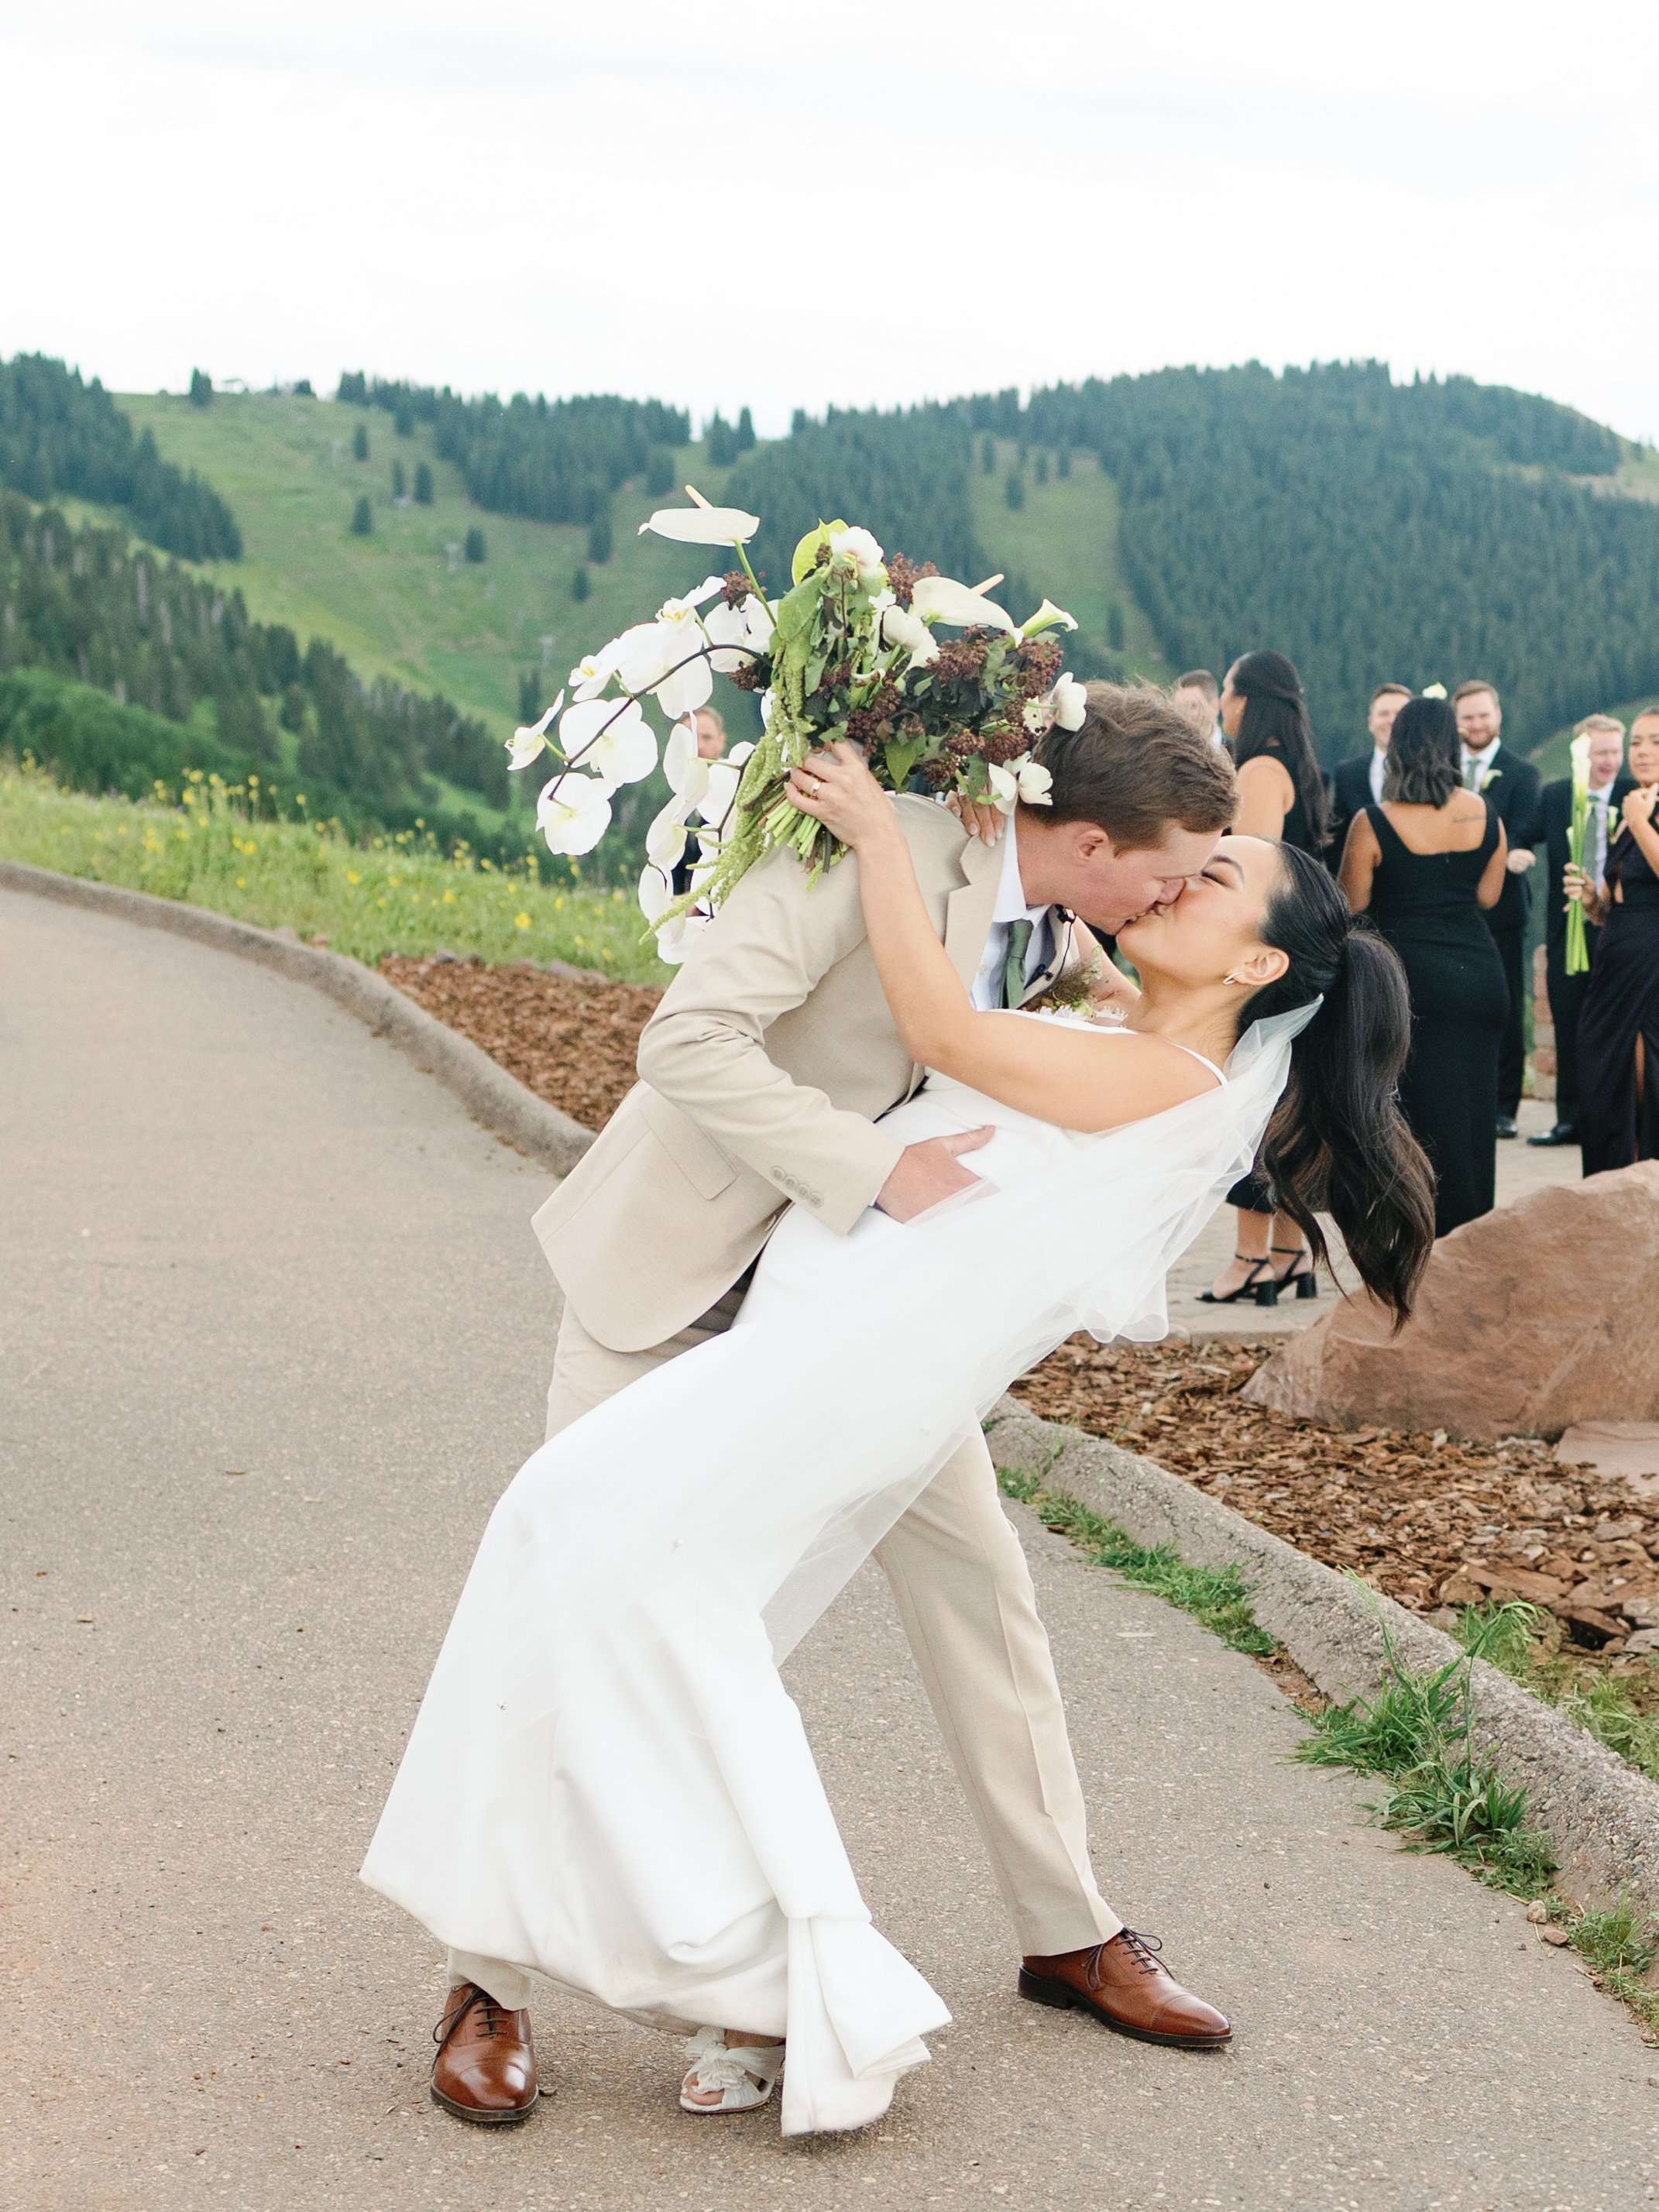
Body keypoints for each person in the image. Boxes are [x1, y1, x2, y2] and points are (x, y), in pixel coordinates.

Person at [362, 723, 1434, 2139]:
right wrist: (871, 1142)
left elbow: (979, 1046)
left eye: (1201, 884)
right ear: (1100, 844)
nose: (1167, 899)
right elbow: (684, 1038)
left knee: (980, 1600)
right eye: (1178, 870)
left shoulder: (1072, 939)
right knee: (594, 1593)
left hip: (868, 1342)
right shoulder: (893, 853)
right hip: (687, 1274)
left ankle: (1066, 1929)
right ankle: (487, 1980)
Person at [1340, 695, 1509, 1236]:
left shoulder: (1373, 823)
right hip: (1481, 977)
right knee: (1475, 1116)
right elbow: (1487, 896)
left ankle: (1419, 1240)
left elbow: (1351, 907)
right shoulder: (1485, 814)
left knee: (1416, 1121)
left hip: (1411, 983)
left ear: (1399, 749)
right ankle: (1473, 1239)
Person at [1203, 651, 1331, 1306]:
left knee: (1256, 1105)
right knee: (1293, 1102)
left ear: (1248, 700)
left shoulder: (1257, 767)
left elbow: (1249, 879)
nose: (1223, 705)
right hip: (1306, 954)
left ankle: (1249, 1257)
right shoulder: (1300, 768)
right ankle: (1291, 1254)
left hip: (1267, 959)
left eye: (1227, 691)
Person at [1528, 716, 1633, 1147]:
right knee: (1569, 1021)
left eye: (1615, 751)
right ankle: (1569, 1118)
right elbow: (1520, 833)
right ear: (1579, 756)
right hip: (1566, 928)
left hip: (1620, 927)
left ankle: (1616, 1117)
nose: (1609, 761)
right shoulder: (1555, 797)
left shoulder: (1634, 797)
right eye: (1599, 753)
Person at [1568, 706, 1659, 1177]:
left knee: (1638, 1088)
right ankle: (1607, 1191)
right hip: (1615, 957)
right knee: (1602, 1076)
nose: (1642, 752)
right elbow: (1616, 902)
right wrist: (1590, 899)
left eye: (1655, 743)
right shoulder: (1636, 804)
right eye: (1637, 742)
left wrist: (1641, 821)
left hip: (1649, 964)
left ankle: (1640, 1188)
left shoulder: (1638, 810)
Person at [1452, 680, 1541, 1138]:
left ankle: (1505, 1107)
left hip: (1503, 910)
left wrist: (1511, 853)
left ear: (1498, 716)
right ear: (1455, 721)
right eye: (1467, 717)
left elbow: (1525, 827)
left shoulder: (1522, 773)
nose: (1477, 725)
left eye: (1483, 715)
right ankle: (1463, 1098)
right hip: (1450, 909)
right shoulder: (1444, 770)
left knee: (1504, 1005)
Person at [1325, 683, 1413, 864]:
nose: (1391, 720)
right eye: (1384, 714)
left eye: (1399, 714)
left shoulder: (1429, 773)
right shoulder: (1348, 773)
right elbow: (1337, 839)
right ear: (1370, 722)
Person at [670, 706, 731, 896]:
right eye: (690, 738)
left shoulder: (737, 792)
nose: (699, 746)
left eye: (706, 737)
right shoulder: (676, 798)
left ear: (722, 741)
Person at [1175, 669, 1223, 746]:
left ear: (1215, 707)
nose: (1185, 715)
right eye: (1179, 708)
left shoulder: (1236, 755)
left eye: (1193, 706)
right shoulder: (1165, 752)